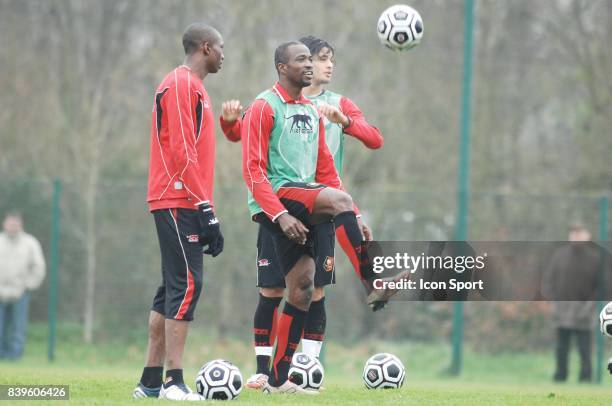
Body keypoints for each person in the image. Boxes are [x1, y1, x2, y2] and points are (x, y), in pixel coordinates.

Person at [220, 36, 389, 390]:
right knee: (272, 290)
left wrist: (354, 214)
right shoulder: (264, 107)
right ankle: (374, 283)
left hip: (306, 199)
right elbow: (253, 171)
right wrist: (280, 214)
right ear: (283, 68)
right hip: (277, 198)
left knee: (302, 288)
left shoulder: (313, 112)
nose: (309, 65)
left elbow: (327, 172)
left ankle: (278, 380)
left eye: (311, 60)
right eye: (302, 60)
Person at [133, 22, 225, 401]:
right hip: (177, 198)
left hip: (185, 199)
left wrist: (206, 207)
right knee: (188, 285)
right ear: (205, 47)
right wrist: (206, 210)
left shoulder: (196, 88)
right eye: (221, 47)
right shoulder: (182, 83)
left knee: (171, 288)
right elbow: (181, 152)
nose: (224, 54)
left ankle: (150, 382)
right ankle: (175, 382)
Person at [542, 224, 600, 383]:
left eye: (579, 234)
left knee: (584, 348)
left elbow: (600, 286)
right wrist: (554, 301)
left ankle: (585, 378)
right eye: (573, 234)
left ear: (587, 236)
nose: (576, 237)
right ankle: (560, 376)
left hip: (585, 311)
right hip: (562, 310)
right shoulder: (560, 255)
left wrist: (589, 306)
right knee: (561, 348)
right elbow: (548, 281)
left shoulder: (595, 259)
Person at [0, 212, 46, 360]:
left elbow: (38, 267)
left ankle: (14, 357)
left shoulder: (30, 243)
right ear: (4, 224)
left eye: (16, 224)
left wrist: (28, 286)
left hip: (20, 293)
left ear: (21, 225)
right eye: (10, 223)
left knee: (17, 328)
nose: (13, 227)